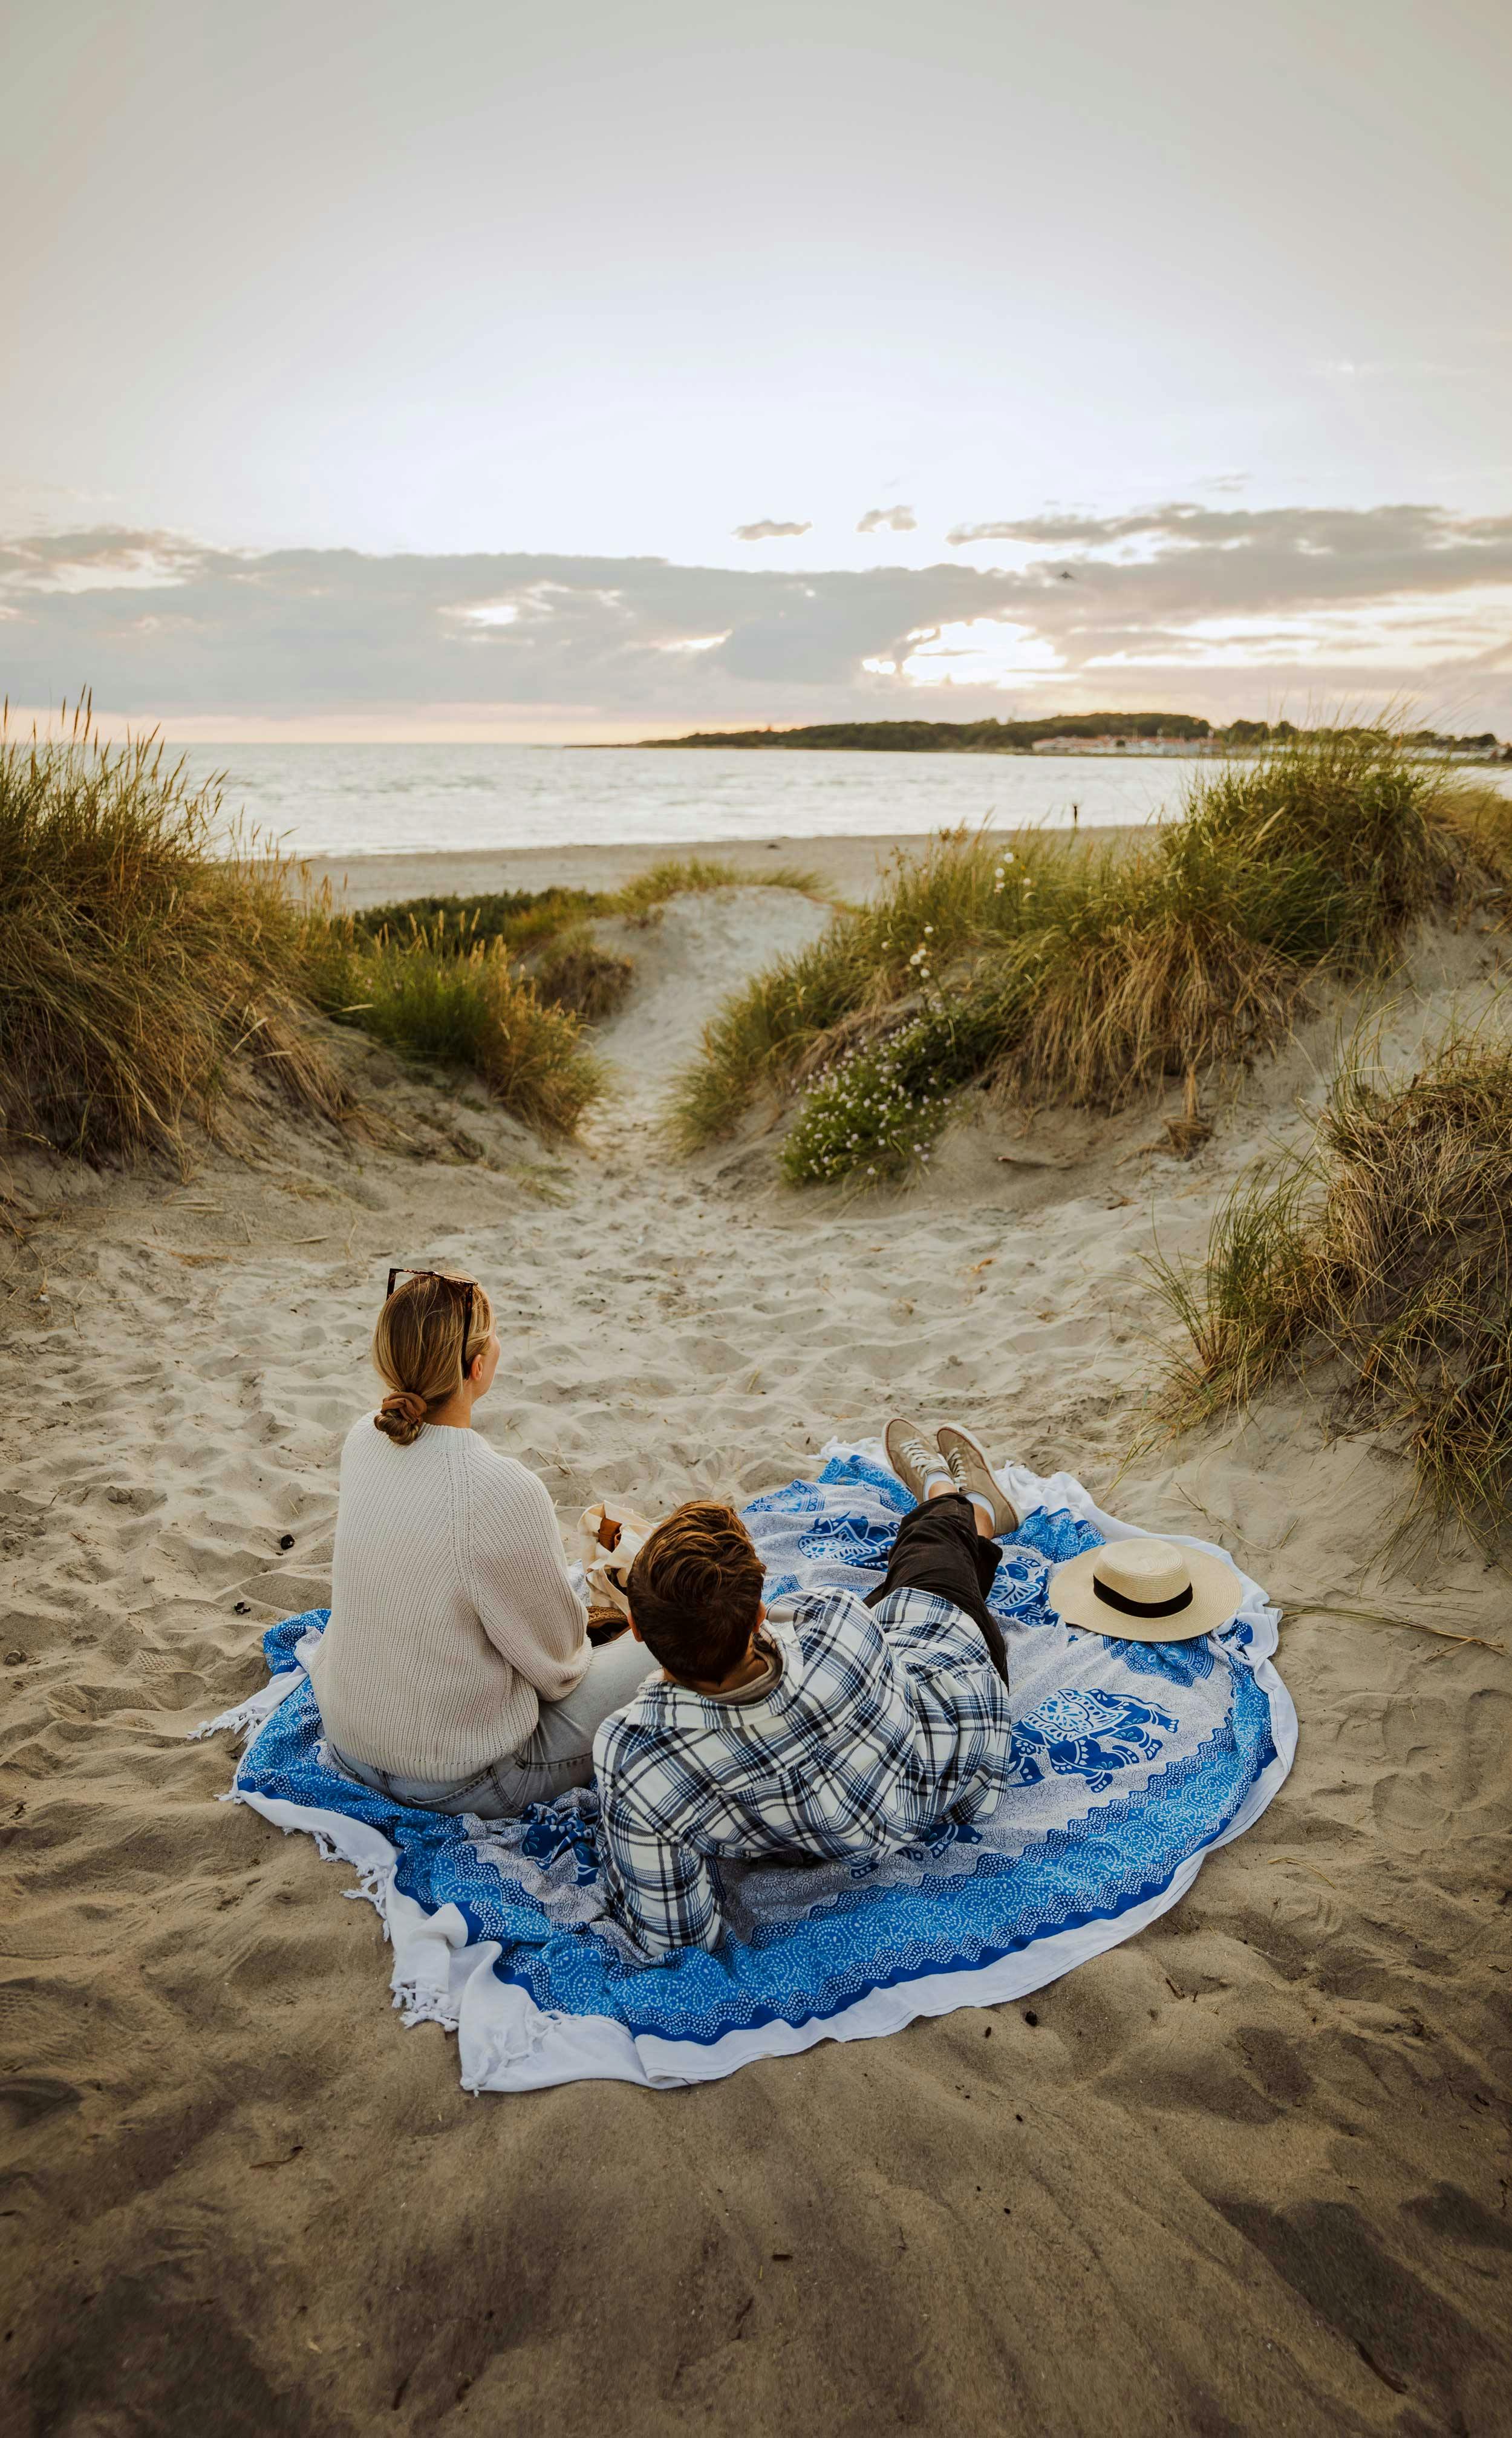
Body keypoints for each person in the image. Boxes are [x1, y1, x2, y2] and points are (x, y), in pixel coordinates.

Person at [593, 1417, 1019, 1958]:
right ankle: (964, 1502)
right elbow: (819, 1635)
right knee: (927, 1553)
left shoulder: (634, 1755)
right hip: (961, 1712)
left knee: (918, 1568)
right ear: (758, 1615)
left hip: (834, 1808)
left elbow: (676, 1939)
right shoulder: (834, 1620)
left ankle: (957, 1501)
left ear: (634, 1629)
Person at [307, 1267, 651, 1817]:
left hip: (351, 1743)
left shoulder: (362, 1438)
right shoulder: (500, 1490)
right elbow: (560, 1668)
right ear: (478, 1366)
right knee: (671, 1644)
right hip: (457, 1780)